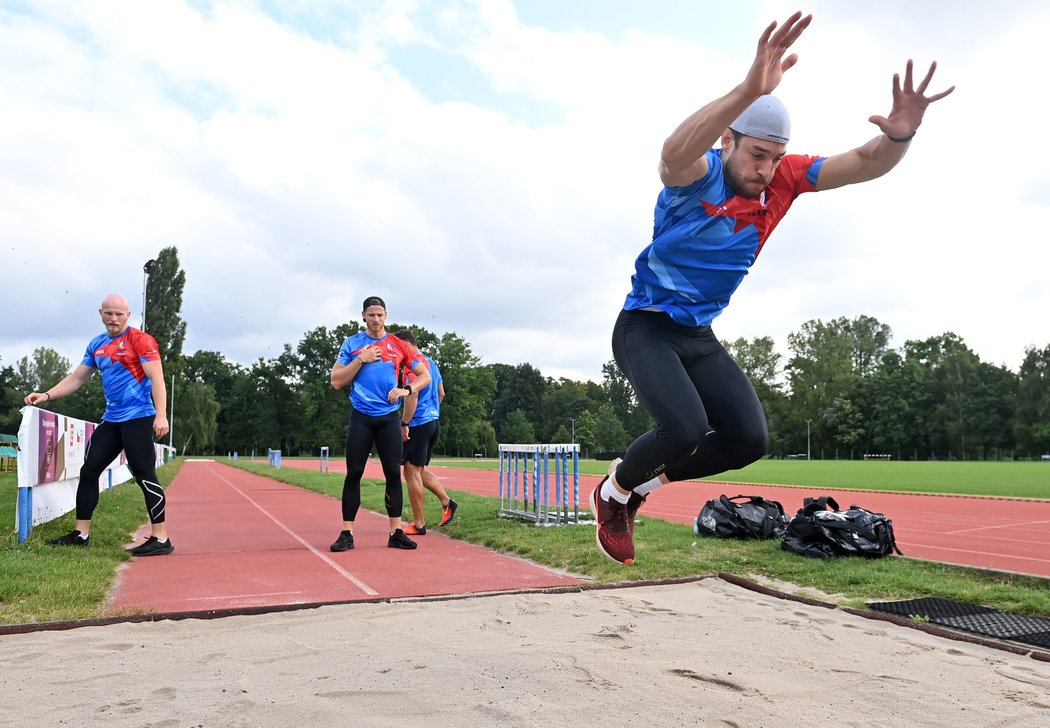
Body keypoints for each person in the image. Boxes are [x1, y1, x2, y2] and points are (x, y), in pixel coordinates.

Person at [591, 12, 954, 565]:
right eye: (756, 154)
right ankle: (615, 491)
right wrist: (747, 89)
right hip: (646, 327)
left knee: (748, 440)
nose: (766, 169)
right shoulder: (698, 177)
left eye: (774, 157)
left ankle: (641, 486)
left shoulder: (784, 179)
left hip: (697, 334)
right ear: (728, 140)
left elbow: (863, 162)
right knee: (685, 428)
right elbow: (670, 154)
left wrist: (900, 134)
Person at [23, 294, 173, 556]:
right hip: (112, 419)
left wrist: (161, 415)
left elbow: (157, 379)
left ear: (128, 315)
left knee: (144, 474)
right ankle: (81, 534)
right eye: (109, 314)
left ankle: (161, 538)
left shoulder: (141, 341)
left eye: (119, 314)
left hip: (139, 417)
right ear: (101, 313)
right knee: (90, 469)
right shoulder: (98, 344)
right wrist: (46, 395)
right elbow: (77, 378)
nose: (113, 318)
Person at [329, 296, 431, 552]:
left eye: (380, 314)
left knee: (392, 475)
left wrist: (406, 390)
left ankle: (396, 531)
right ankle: (347, 533)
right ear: (363, 316)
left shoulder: (398, 345)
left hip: (388, 419)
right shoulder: (352, 344)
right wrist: (360, 359)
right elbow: (336, 381)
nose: (376, 319)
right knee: (354, 473)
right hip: (361, 417)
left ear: (386, 316)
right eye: (371, 315)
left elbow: (425, 376)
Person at [393, 330, 458, 535]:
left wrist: (405, 423)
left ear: (406, 344)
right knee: (418, 470)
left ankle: (419, 524)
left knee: (410, 472)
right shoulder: (431, 362)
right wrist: (432, 412)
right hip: (433, 422)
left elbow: (411, 397)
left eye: (398, 348)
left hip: (419, 423)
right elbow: (441, 393)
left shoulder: (411, 366)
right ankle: (447, 502)